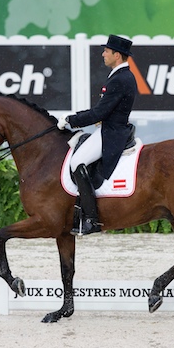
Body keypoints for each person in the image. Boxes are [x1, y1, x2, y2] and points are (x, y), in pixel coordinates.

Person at [57, 34, 137, 236]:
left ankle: (91, 219)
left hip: (111, 133)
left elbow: (100, 113)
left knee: (77, 162)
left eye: (106, 51)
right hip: (110, 128)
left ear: (117, 55)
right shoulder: (120, 76)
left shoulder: (120, 79)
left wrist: (71, 120)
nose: (103, 54)